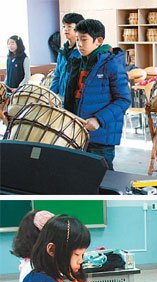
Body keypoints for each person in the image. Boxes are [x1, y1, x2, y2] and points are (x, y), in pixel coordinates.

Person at [64, 19, 131, 170]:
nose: (79, 44)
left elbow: (124, 100)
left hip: (100, 137)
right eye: (78, 39)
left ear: (99, 40)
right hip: (76, 132)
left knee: (102, 180)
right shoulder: (78, 61)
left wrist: (99, 119)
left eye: (84, 39)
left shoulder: (111, 64)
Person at [50, 13, 84, 101]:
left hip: (75, 99)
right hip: (61, 97)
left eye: (69, 26)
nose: (65, 29)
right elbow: (57, 75)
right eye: (64, 26)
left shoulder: (82, 51)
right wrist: (51, 96)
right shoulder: (62, 51)